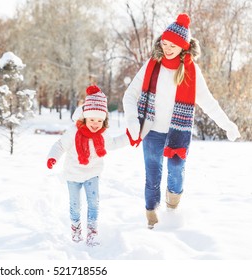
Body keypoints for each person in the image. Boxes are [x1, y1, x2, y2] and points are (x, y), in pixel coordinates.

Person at [122, 13, 241, 229]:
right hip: (151, 131)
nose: (167, 48)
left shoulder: (191, 71)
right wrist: (132, 120)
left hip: (177, 132)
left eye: (173, 45)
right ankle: (151, 219)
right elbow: (129, 95)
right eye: (164, 43)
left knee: (176, 172)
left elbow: (209, 102)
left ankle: (172, 214)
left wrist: (227, 125)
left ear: (183, 46)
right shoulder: (152, 64)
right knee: (152, 176)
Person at [47, 85, 127, 246]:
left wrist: (130, 137)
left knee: (93, 203)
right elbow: (60, 145)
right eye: (92, 120)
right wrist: (52, 157)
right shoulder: (73, 132)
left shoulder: (103, 134)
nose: (96, 124)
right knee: (75, 205)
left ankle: (92, 231)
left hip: (92, 173)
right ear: (85, 117)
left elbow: (114, 143)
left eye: (99, 120)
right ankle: (76, 229)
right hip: (73, 175)